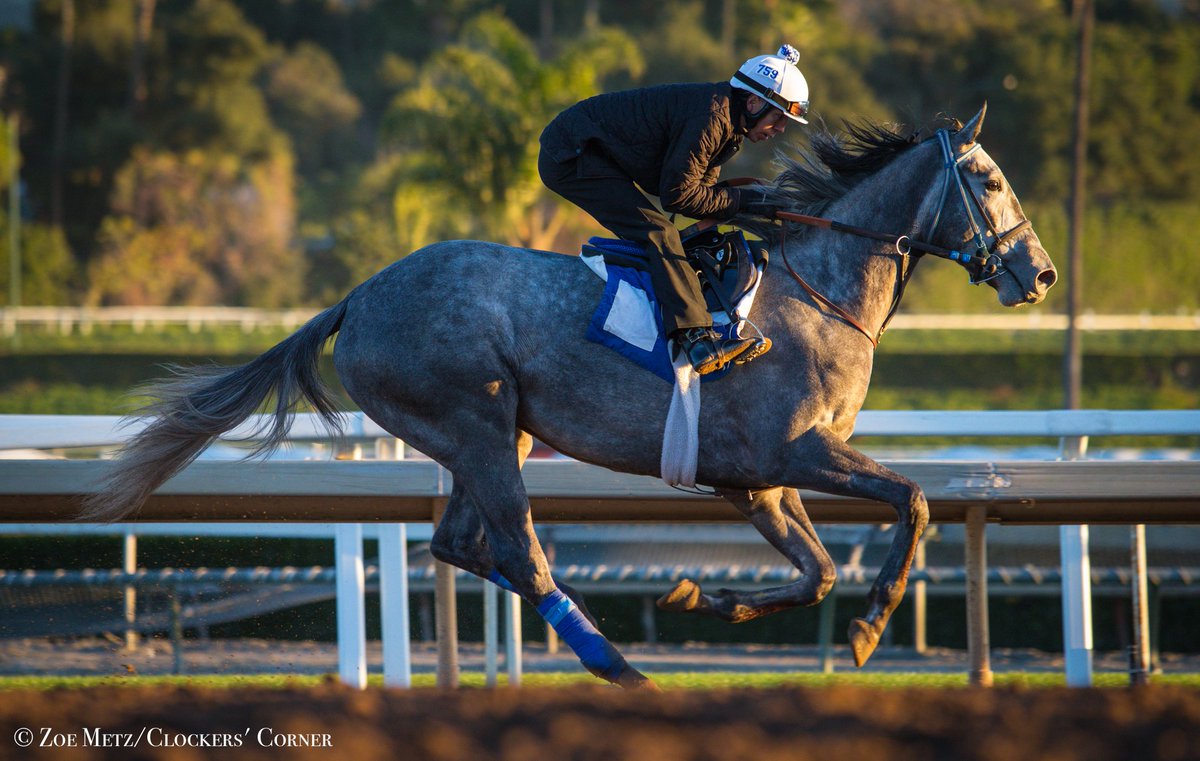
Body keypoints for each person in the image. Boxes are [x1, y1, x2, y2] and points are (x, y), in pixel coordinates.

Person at [539, 44, 810, 375]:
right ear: (754, 103)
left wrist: (757, 203)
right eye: (778, 117)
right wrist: (747, 201)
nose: (781, 128)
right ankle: (696, 338)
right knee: (659, 233)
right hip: (570, 154)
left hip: (590, 152)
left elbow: (702, 196)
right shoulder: (712, 118)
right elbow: (678, 196)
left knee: (681, 235)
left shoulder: (729, 127)